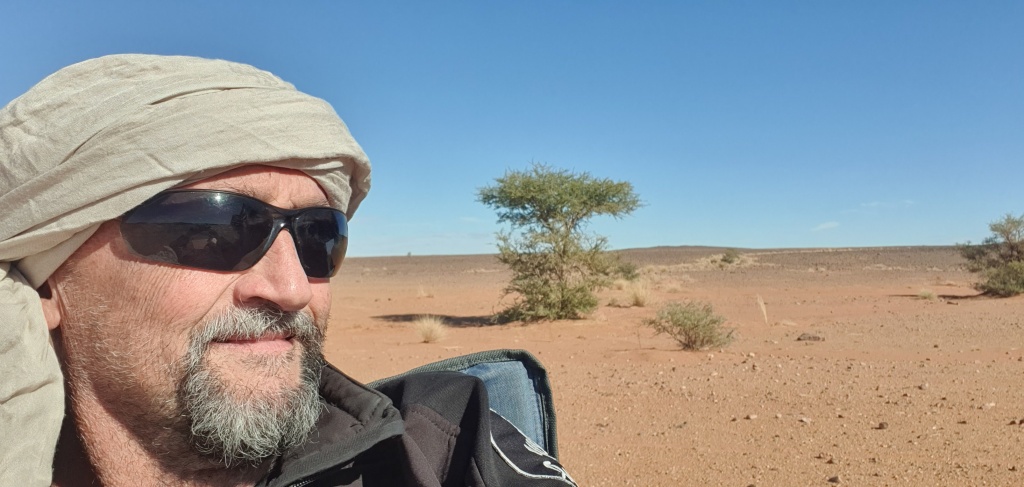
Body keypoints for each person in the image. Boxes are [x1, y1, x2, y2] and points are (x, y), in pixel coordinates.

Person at [0, 54, 576, 486]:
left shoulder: (443, 444)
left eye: (317, 237)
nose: (292, 288)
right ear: (48, 277)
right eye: (212, 231)